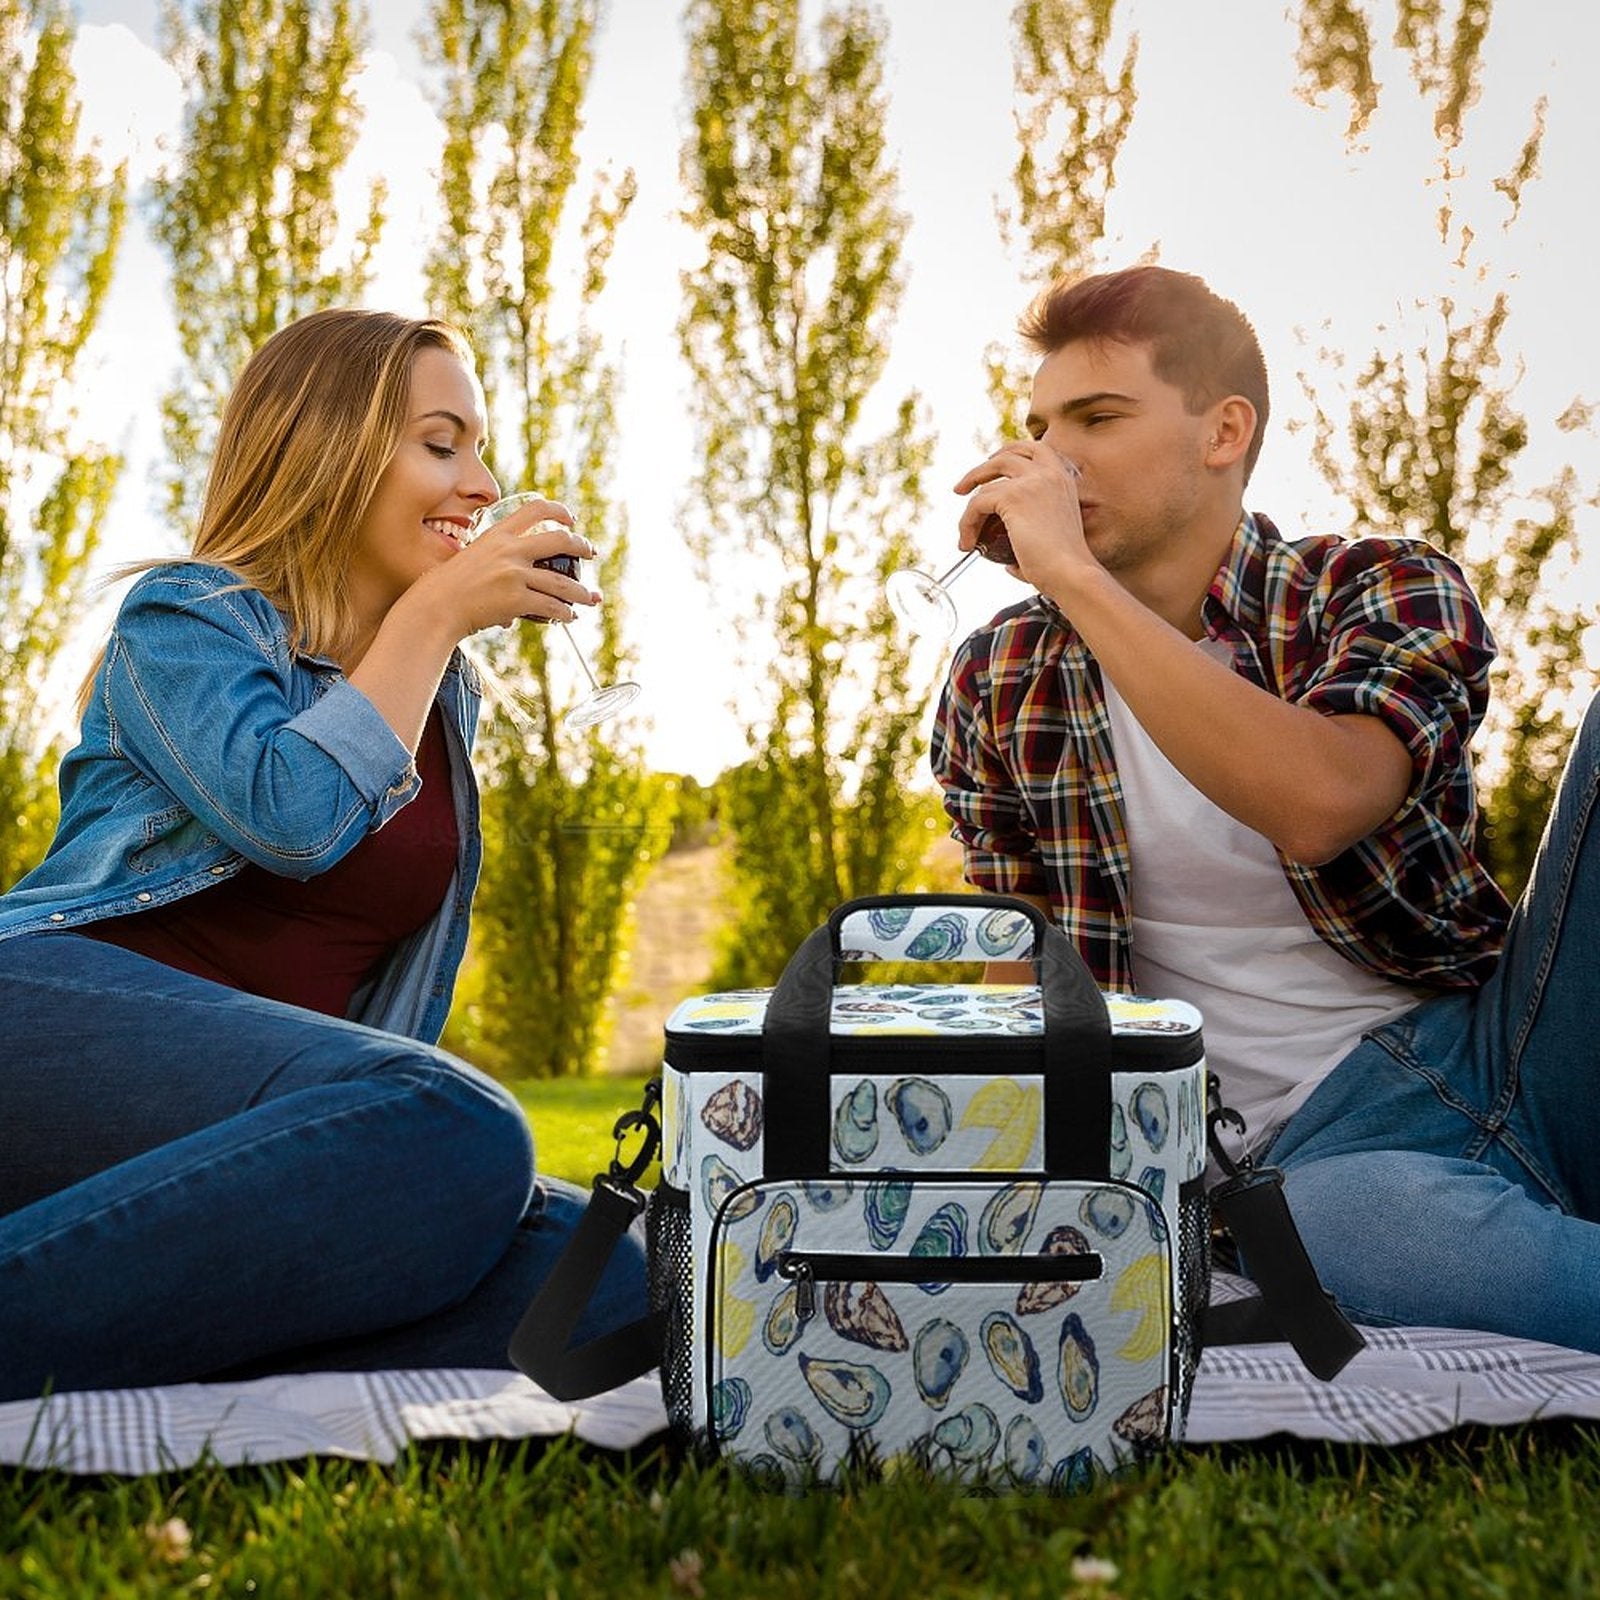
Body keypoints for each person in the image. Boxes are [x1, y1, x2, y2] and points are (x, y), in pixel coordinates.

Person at [931, 263, 1600, 1353]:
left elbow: (1324, 800)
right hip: (1311, 1162)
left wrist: (1079, 582)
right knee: (1329, 1234)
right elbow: (1034, 982)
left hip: (1500, 1050)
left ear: (1223, 431)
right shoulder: (999, 678)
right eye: (1040, 426)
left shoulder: (1375, 586)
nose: (1052, 458)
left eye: (1097, 417)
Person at [0, 308, 646, 1401]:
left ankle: (114, 1331)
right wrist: (435, 614)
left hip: (244, 1123)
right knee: (460, 1125)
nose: (482, 483)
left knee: (612, 1286)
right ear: (326, 452)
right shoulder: (186, 618)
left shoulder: (445, 704)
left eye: (480, 449)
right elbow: (292, 818)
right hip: (42, 1029)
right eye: (442, 443)